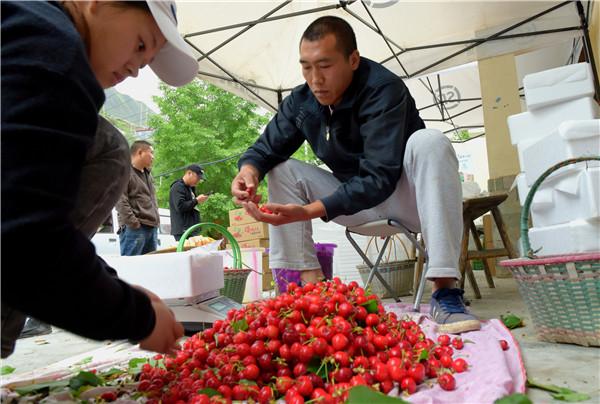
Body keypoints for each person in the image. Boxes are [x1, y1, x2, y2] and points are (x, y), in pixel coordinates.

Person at [231, 16, 479, 334]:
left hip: (408, 198)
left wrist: (308, 211)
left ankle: (445, 290)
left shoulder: (383, 89)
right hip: (354, 202)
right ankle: (310, 290)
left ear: (353, 59)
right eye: (306, 67)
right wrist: (248, 172)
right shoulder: (302, 101)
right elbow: (266, 149)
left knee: (431, 141)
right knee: (281, 169)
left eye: (325, 65)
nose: (315, 79)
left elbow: (379, 177)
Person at [1, 0, 198, 357]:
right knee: (108, 147)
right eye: (141, 45)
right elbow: (27, 242)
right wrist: (137, 317)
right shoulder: (53, 50)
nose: (136, 69)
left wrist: (115, 288)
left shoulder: (24, 26)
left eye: (146, 60)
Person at [116, 140, 160, 256]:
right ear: (140, 152)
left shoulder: (148, 174)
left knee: (149, 268)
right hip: (135, 229)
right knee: (132, 268)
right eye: (151, 152)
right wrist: (134, 223)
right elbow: (120, 201)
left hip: (152, 227)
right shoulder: (124, 172)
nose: (153, 157)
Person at [169, 164, 210, 241]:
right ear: (189, 173)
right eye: (197, 178)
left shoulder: (190, 188)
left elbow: (191, 206)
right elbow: (180, 206)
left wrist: (197, 201)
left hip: (192, 229)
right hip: (183, 231)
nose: (198, 181)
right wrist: (196, 200)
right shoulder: (177, 186)